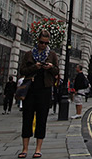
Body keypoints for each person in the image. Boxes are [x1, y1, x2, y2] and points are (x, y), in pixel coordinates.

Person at [18, 30, 59, 158]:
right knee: (27, 119)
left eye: (46, 43)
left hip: (44, 90)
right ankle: (24, 149)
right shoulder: (29, 54)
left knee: (42, 120)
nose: (43, 45)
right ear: (38, 41)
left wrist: (50, 67)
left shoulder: (52, 55)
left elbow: (57, 71)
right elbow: (22, 71)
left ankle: (38, 149)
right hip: (30, 90)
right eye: (41, 42)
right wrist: (34, 67)